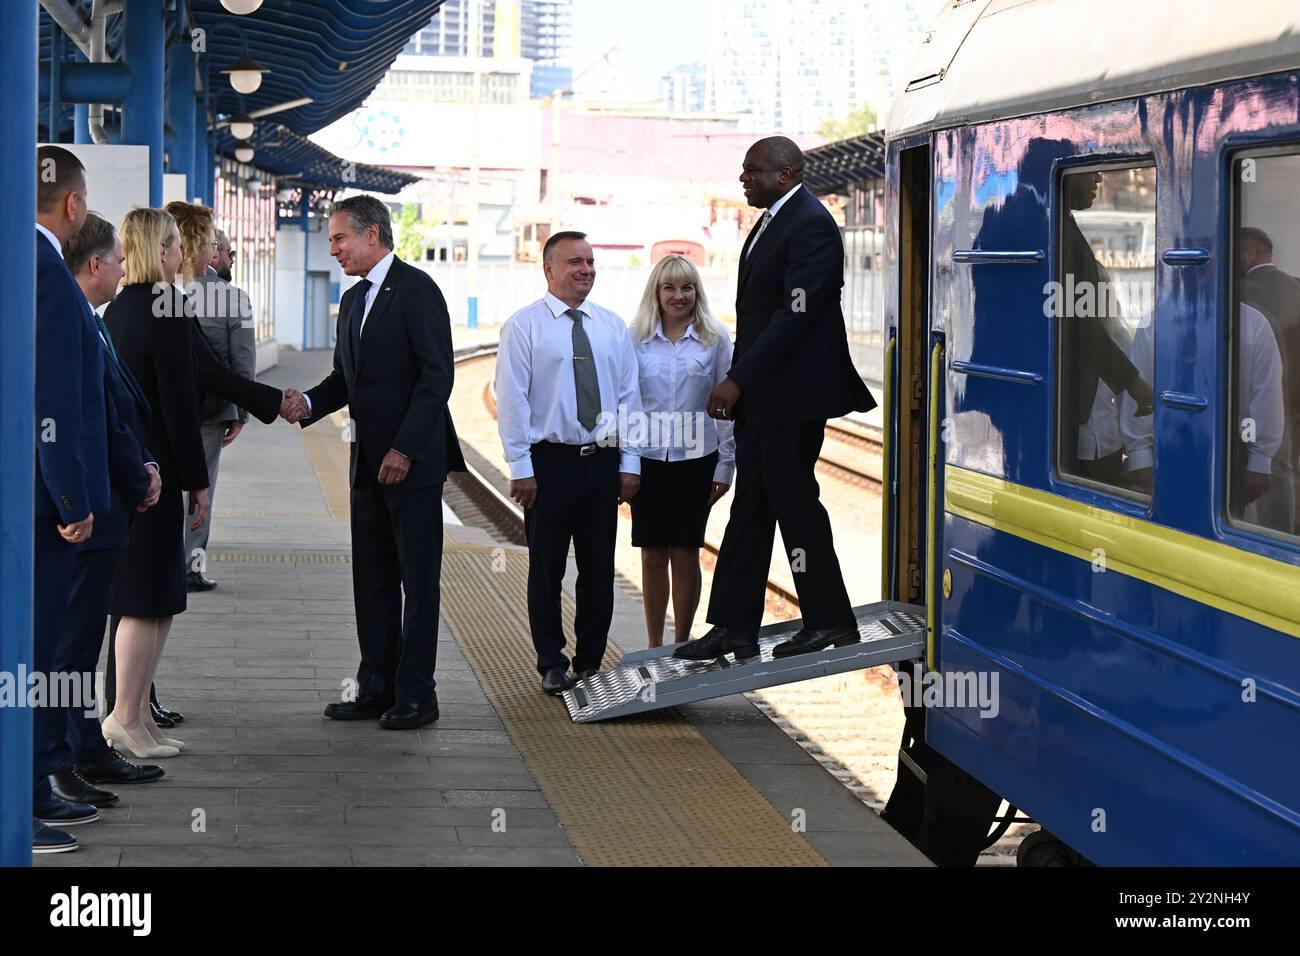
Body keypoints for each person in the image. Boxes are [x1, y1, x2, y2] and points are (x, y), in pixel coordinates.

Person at [675, 136, 874, 664]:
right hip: (766, 398)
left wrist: (737, 379)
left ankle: (830, 619)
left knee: (794, 505)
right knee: (752, 508)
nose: (744, 179)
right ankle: (734, 626)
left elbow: (796, 316)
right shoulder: (771, 221)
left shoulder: (810, 223)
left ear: (784, 174)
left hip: (792, 396)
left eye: (752, 171)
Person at [280, 196, 465, 730]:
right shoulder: (356, 299)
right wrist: (310, 404)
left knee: (418, 581)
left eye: (339, 238)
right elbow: (346, 379)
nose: (333, 249)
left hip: (412, 464)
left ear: (374, 234)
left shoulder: (417, 291)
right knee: (374, 579)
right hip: (367, 464)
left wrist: (404, 449)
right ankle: (376, 685)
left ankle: (417, 695)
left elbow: (437, 377)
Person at [47, 214, 166, 810]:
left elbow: (114, 411)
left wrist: (141, 464)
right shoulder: (73, 317)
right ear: (95, 266)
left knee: (81, 643)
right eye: (117, 259)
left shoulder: (92, 321)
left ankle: (84, 747)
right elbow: (81, 419)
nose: (123, 267)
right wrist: (132, 473)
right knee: (69, 649)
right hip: (87, 512)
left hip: (107, 502)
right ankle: (60, 764)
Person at [495, 230, 642, 693]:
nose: (586, 271)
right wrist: (521, 466)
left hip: (601, 463)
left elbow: (628, 397)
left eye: (591, 262)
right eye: (575, 262)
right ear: (549, 269)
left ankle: (591, 660)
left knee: (599, 568)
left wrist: (630, 461)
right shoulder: (524, 327)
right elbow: (513, 399)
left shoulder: (612, 326)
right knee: (547, 568)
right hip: (550, 465)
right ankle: (550, 660)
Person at [101, 208, 209, 761]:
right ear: (160, 250)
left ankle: (138, 714)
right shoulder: (166, 311)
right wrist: (198, 480)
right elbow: (179, 405)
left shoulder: (118, 309)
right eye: (174, 246)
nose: (181, 254)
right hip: (157, 476)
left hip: (133, 473)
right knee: (146, 601)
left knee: (154, 599)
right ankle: (124, 718)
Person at [31, 146, 110, 854]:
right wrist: (71, 499)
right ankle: (23, 797)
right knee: (37, 648)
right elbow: (52, 402)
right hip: (39, 507)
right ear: (73, 206)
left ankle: (29, 786)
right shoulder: (50, 277)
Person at [629, 254, 734, 646]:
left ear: (697, 292)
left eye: (686, 287)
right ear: (656, 292)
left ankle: (681, 643)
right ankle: (654, 645)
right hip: (649, 461)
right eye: (669, 287)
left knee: (687, 553)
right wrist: (626, 463)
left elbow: (726, 408)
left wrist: (725, 467)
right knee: (653, 555)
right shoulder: (634, 339)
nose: (679, 295)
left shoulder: (715, 339)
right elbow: (626, 404)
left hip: (697, 461)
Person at [166, 203, 256, 592]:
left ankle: (159, 559)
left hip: (161, 410)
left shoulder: (158, 291)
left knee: (162, 483)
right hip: (210, 409)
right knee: (201, 488)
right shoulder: (232, 297)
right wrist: (241, 412)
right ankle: (190, 566)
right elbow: (242, 360)